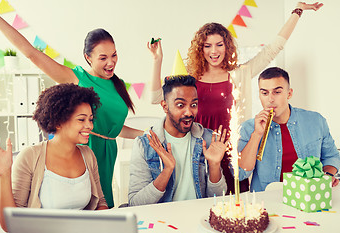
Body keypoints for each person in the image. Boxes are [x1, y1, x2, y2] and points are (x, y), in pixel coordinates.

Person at [147, 2, 323, 195]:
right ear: (200, 49)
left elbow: (274, 48)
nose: (214, 51)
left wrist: (297, 11)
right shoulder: (190, 78)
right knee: (196, 199)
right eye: (208, 46)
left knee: (232, 206)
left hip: (230, 151)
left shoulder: (240, 74)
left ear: (227, 46)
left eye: (219, 45)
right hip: (196, 148)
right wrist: (157, 60)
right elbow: (156, 97)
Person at [0, 0, 143, 208]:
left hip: (106, 152)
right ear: (88, 58)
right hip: (82, 146)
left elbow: (114, 129)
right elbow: (31, 53)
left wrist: (148, 132)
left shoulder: (117, 85)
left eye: (114, 55)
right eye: (103, 57)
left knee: (101, 205)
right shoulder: (77, 78)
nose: (110, 62)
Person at [0, 84, 109, 232]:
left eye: (91, 119)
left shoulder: (88, 154)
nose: (89, 126)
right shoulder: (30, 156)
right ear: (58, 122)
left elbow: (101, 202)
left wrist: (102, 226)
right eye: (81, 120)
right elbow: (10, 224)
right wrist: (3, 174)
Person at [128, 75, 227, 206]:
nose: (189, 112)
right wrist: (167, 170)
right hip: (162, 221)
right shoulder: (144, 144)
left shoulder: (207, 139)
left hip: (199, 216)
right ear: (165, 106)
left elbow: (219, 199)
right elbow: (136, 203)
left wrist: (214, 165)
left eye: (194, 105)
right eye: (180, 105)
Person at [237, 67, 340, 192]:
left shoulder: (316, 121)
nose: (270, 99)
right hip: (267, 201)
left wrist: (327, 176)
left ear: (289, 94)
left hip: (309, 196)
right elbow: (242, 173)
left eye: (277, 92)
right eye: (265, 93)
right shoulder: (248, 128)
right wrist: (257, 134)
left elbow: (332, 156)